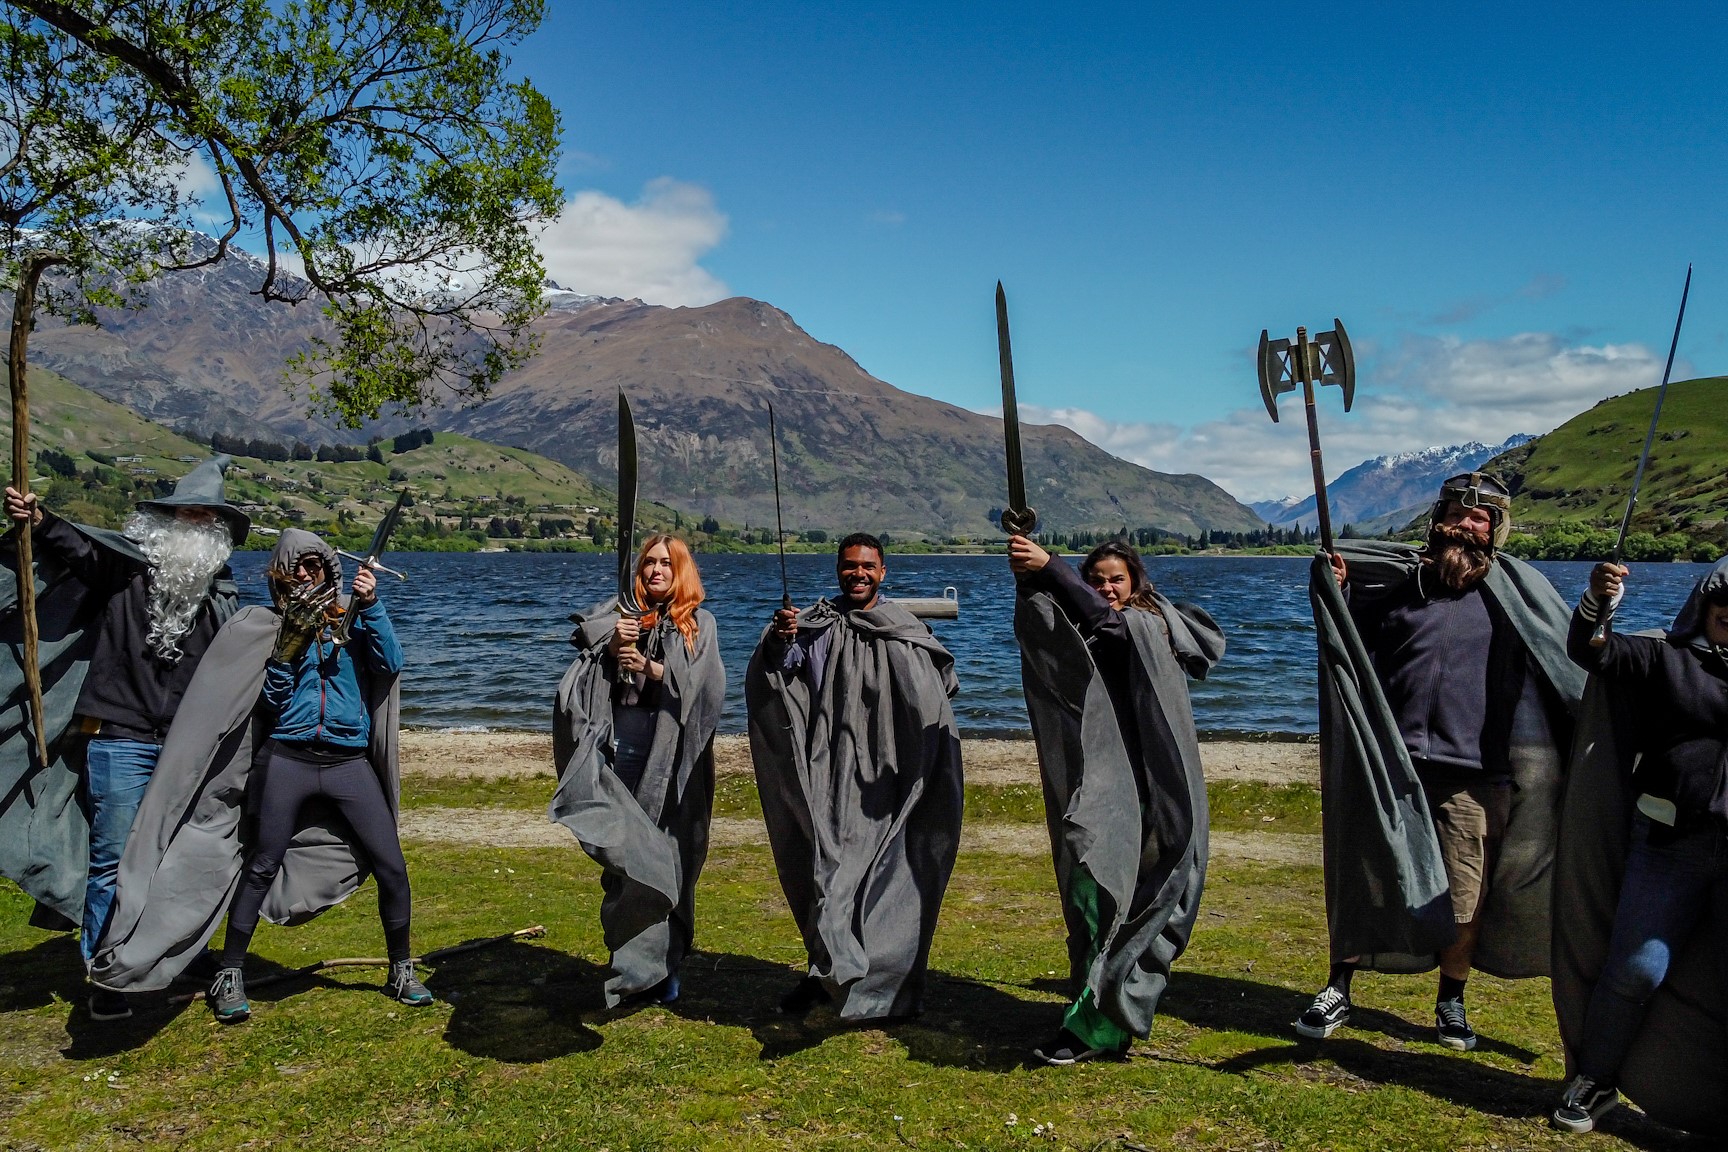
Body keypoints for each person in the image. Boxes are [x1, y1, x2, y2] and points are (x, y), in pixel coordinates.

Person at [1297, 472, 1581, 1050]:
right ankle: (1338, 987)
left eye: (1480, 518)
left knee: (1465, 893)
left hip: (1476, 772)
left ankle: (1451, 999)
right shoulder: (1398, 586)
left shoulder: (1519, 600)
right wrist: (1341, 588)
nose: (1467, 525)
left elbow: (1570, 657)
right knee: (1366, 874)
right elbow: (1350, 646)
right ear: (1438, 520)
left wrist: (1601, 610)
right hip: (1390, 765)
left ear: (1496, 530)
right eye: (1457, 513)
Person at [1, 457, 247, 1021]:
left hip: (188, 750)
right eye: (185, 514)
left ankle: (179, 955)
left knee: (181, 857)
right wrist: (37, 517)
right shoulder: (123, 572)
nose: (194, 525)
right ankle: (106, 972)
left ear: (218, 533)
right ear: (163, 521)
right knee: (114, 857)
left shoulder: (222, 598)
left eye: (206, 518)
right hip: (120, 740)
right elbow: (74, 546)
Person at [1009, 536, 1223, 1064]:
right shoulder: (1086, 626)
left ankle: (1099, 1029)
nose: (1107, 587)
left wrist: (1053, 569)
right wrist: (1033, 582)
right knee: (1089, 893)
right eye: (1097, 580)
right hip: (1100, 786)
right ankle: (1093, 1014)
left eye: (1116, 579)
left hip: (1150, 793)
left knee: (1128, 902)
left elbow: (1114, 629)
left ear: (1136, 582)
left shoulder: (1150, 628)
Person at [205, 528, 423, 1023]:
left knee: (392, 866)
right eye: (294, 567)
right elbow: (271, 702)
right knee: (262, 864)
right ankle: (229, 972)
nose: (304, 573)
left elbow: (390, 662)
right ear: (280, 574)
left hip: (348, 762)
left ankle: (401, 969)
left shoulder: (350, 614)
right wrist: (286, 650)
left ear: (329, 567)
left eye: (313, 564)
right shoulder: (269, 625)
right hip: (290, 758)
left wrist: (369, 607)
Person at [745, 532, 963, 1022]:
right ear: (838, 569)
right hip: (831, 767)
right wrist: (780, 640)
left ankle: (890, 985)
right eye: (850, 566)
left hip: (891, 772)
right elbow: (783, 672)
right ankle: (824, 974)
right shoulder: (814, 626)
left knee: (890, 874)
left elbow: (943, 681)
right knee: (829, 872)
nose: (858, 573)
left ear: (883, 572)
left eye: (868, 566)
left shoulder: (902, 626)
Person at [1546, 557, 1728, 1134]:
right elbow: (1593, 651)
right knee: (1635, 972)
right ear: (1704, 608)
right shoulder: (1664, 658)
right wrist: (1599, 602)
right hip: (1671, 847)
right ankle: (1594, 1081)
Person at [551, 534, 725, 1007]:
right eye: (648, 563)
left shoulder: (699, 624)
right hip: (622, 749)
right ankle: (629, 961)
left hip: (673, 756)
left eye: (667, 563)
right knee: (625, 853)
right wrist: (611, 647)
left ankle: (664, 965)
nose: (655, 571)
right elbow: (586, 677)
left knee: (671, 856)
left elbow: (708, 690)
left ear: (682, 570)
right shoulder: (621, 617)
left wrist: (652, 668)